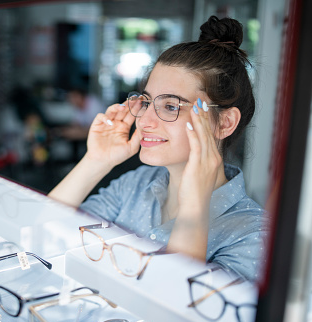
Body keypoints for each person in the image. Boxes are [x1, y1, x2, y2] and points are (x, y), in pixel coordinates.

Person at [48, 16, 268, 282]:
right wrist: (95, 161)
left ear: (224, 122)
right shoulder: (134, 185)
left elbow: (177, 312)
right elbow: (45, 237)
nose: (144, 120)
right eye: (147, 102)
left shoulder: (254, 235)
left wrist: (194, 206)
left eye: (171, 106)